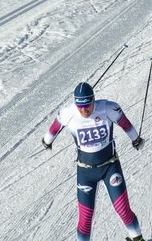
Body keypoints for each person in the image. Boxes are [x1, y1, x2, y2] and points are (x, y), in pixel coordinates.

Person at [42, 82, 145, 241]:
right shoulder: (68, 113)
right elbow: (54, 128)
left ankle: (138, 240)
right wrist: (47, 141)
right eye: (80, 106)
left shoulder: (107, 108)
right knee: (85, 220)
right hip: (85, 173)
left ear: (93, 100)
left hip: (110, 167)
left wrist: (135, 139)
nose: (84, 110)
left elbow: (125, 124)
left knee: (123, 210)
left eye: (87, 105)